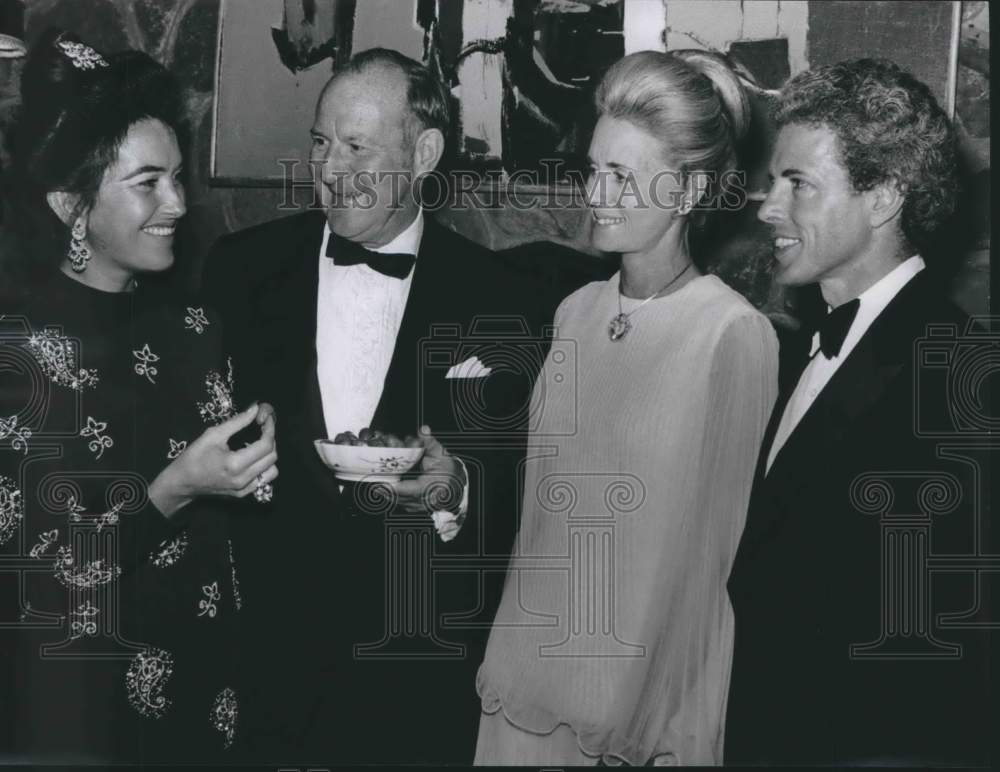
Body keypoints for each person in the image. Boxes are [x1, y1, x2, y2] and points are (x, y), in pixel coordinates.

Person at [202, 48, 554, 763]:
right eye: (320, 143)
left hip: (414, 677)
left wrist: (454, 489)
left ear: (424, 153)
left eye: (357, 147)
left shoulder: (504, 300)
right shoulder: (240, 270)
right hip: (264, 665)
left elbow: (525, 491)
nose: (330, 170)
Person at [473, 50, 778, 765]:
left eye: (623, 176)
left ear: (690, 189)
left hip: (640, 708)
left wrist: (634, 728)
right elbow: (540, 513)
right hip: (527, 680)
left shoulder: (731, 336)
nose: (596, 195)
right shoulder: (574, 312)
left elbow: (706, 566)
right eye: (593, 169)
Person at [0, 30, 277, 764]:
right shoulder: (18, 353)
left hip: (207, 700)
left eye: (180, 177)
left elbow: (221, 541)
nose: (179, 203)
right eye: (148, 182)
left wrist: (249, 460)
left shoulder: (196, 329)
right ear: (71, 205)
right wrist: (173, 490)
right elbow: (39, 575)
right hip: (76, 717)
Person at [725, 58, 991, 766]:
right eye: (773, 180)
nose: (767, 207)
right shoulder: (802, 347)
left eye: (799, 184)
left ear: (883, 198)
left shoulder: (961, 373)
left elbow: (953, 658)